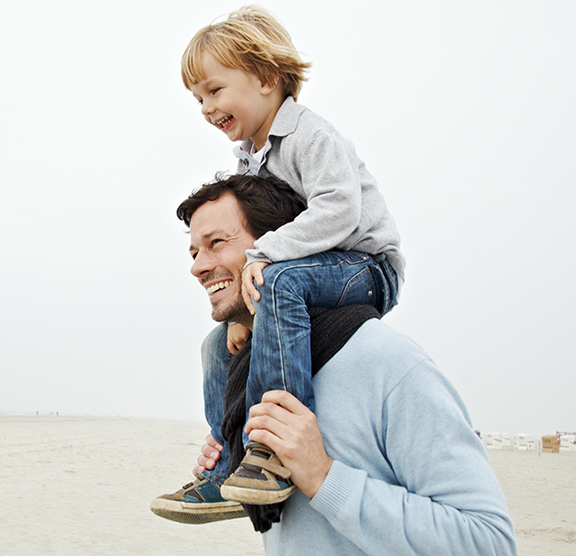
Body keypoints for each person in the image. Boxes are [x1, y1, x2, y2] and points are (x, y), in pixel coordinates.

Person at [153, 175, 516, 555]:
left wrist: (323, 476)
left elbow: (488, 542)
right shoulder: (247, 374)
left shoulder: (387, 363)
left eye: (216, 244)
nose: (198, 267)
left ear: (283, 246)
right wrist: (230, 451)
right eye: (194, 253)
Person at [179, 5, 405, 504]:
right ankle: (226, 463)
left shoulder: (310, 135)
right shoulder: (249, 159)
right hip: (309, 270)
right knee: (218, 344)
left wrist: (260, 257)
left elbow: (340, 210)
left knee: (278, 281)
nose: (205, 108)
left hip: (364, 265)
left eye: (214, 90)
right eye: (197, 99)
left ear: (265, 77)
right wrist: (241, 311)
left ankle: (275, 450)